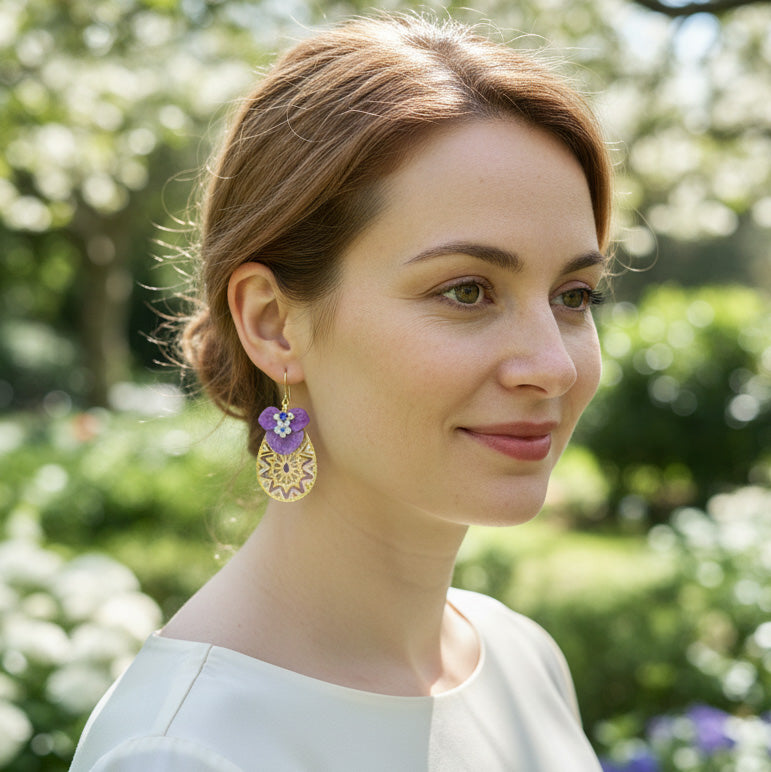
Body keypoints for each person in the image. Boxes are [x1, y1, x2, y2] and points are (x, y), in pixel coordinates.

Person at [71, 12, 612, 771]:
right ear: (271, 324)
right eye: (466, 291)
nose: (551, 365)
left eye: (575, 295)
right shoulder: (188, 752)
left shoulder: (523, 660)